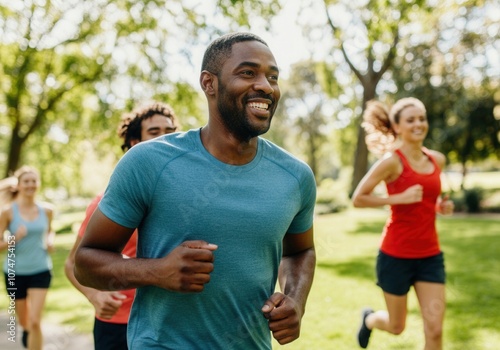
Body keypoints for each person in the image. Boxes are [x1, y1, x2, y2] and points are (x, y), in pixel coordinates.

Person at [74, 32, 317, 349]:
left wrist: (295, 299)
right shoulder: (149, 163)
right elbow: (86, 262)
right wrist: (157, 272)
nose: (266, 86)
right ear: (209, 83)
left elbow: (300, 251)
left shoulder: (294, 176)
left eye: (273, 77)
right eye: (248, 72)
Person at [64, 101, 179, 350]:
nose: (165, 139)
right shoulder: (105, 204)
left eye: (170, 132)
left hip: (168, 323)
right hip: (116, 324)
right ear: (134, 144)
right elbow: (72, 262)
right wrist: (95, 296)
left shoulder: (185, 200)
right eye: (155, 132)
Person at [351, 97, 454, 350]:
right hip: (395, 256)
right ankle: (370, 319)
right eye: (411, 120)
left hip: (430, 255)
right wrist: (398, 198)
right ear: (397, 127)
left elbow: (430, 199)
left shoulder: (436, 160)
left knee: (435, 329)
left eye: (422, 118)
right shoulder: (391, 162)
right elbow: (358, 198)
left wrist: (441, 206)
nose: (418, 124)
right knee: (397, 327)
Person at [0, 166, 55, 350]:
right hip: (15, 273)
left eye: (34, 181)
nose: (31, 184)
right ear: (19, 185)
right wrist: (14, 239)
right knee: (25, 323)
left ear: (38, 184)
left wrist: (49, 240)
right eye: (26, 181)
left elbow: (49, 231)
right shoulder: (7, 212)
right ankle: (27, 335)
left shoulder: (47, 210)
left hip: (40, 269)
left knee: (35, 321)